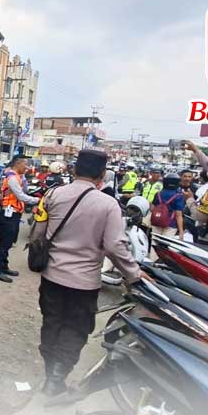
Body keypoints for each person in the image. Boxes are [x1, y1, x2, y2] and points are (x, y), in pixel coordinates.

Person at [30, 149, 143, 396]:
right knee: (75, 328)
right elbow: (115, 246)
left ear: (73, 170)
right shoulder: (108, 204)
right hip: (84, 283)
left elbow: (38, 233)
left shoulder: (52, 194)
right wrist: (134, 275)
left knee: (52, 322)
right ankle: (56, 379)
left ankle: (51, 372)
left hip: (51, 277)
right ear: (102, 174)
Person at [0, 156, 39, 283]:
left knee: (9, 241)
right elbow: (21, 196)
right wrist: (38, 200)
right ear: (18, 164)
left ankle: (3, 266)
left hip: (14, 213)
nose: (27, 167)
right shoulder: (12, 178)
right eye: (25, 164)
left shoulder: (16, 176)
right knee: (4, 242)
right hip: (9, 214)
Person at [151, 172, 185, 239]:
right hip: (171, 224)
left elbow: (152, 208)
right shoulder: (178, 196)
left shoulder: (158, 194)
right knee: (164, 246)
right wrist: (181, 231)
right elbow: (178, 215)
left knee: (154, 244)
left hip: (157, 222)